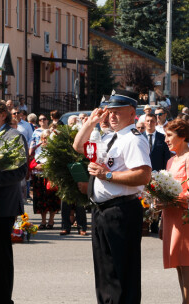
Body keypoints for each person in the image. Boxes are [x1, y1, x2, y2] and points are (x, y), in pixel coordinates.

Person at [73, 91, 152, 304]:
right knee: (105, 270)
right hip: (103, 211)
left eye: (117, 112)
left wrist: (107, 175)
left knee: (121, 271)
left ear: (132, 114)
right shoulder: (109, 137)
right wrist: (90, 122)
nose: (112, 116)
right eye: (110, 112)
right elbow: (79, 147)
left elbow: (143, 175)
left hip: (121, 210)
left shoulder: (133, 140)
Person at [0, 99, 28, 303]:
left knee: (1, 255)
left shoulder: (14, 136)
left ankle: (3, 297)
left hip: (3, 205)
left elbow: (19, 172)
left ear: (3, 114)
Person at [158, 119, 189, 303]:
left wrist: (170, 200)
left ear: (183, 136)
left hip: (184, 218)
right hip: (171, 217)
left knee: (186, 264)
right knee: (178, 263)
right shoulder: (171, 161)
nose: (166, 140)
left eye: (170, 135)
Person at [30, 130, 59, 229]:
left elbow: (57, 162)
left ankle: (51, 220)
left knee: (52, 199)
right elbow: (31, 160)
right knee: (41, 200)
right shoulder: (37, 148)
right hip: (38, 177)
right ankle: (43, 221)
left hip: (50, 177)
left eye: (47, 138)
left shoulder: (54, 149)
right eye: (43, 138)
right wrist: (36, 165)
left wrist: (46, 166)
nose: (45, 140)